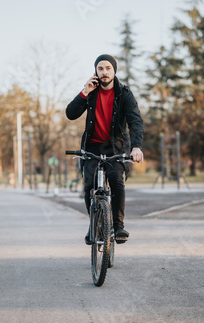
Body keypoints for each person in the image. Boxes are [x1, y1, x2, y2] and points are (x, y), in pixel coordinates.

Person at [65, 54, 144, 245]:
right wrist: (84, 92)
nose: (104, 72)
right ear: (96, 72)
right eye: (100, 69)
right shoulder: (90, 91)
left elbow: (135, 121)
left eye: (108, 68)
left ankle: (117, 226)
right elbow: (70, 114)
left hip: (116, 146)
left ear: (114, 70)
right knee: (88, 186)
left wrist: (136, 147)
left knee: (116, 180)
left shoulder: (125, 93)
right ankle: (94, 225)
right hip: (92, 145)